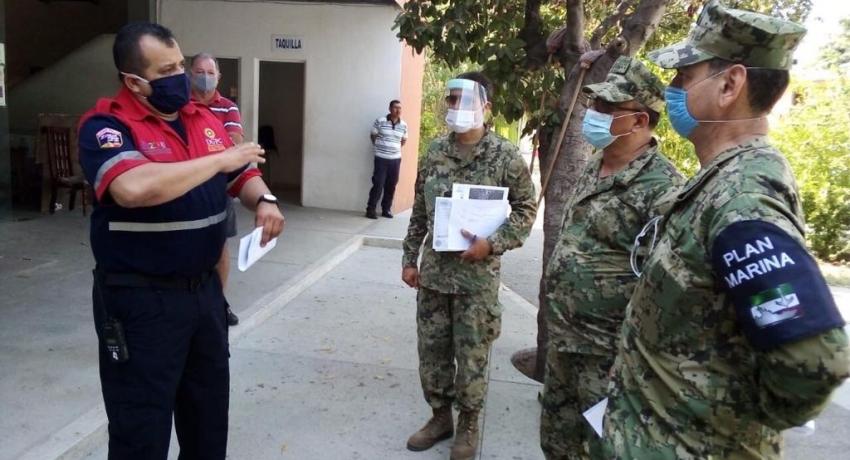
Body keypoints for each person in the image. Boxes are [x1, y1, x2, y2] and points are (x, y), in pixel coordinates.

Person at [603, 2, 850, 458]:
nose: (672, 90)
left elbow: (816, 360)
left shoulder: (742, 195)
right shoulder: (720, 178)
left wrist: (729, 419)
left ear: (730, 84)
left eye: (683, 77)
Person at [78, 22, 284, 459]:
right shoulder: (107, 126)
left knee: (207, 422)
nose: (183, 76)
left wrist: (263, 199)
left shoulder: (202, 117)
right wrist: (220, 159)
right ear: (135, 81)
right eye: (167, 69)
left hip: (206, 296)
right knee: (141, 430)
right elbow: (132, 188)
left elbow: (241, 172)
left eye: (181, 64)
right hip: (141, 305)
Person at [539, 56, 683, 460]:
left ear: (639, 121)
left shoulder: (665, 190)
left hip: (610, 359)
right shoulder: (594, 167)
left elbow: (664, 289)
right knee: (556, 441)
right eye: (595, 106)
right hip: (566, 341)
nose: (594, 114)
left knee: (604, 450)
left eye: (607, 108)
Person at [402, 72, 537, 460]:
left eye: (465, 101)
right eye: (451, 100)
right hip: (434, 278)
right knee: (433, 353)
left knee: (473, 357)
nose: (456, 108)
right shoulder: (434, 152)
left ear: (485, 107)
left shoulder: (505, 156)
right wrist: (410, 259)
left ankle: (469, 424)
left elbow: (527, 208)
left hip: (477, 282)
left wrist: (493, 244)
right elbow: (419, 214)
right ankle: (440, 417)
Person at [190, 52, 243, 326]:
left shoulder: (228, 107)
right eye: (200, 71)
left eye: (210, 73)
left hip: (217, 189)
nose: (205, 77)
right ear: (190, 73)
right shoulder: (179, 105)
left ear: (219, 77)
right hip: (185, 188)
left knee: (219, 246)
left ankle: (219, 305)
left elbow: (233, 143)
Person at [366, 100, 408, 219]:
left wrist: (393, 149)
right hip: (381, 159)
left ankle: (386, 209)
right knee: (378, 184)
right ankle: (371, 209)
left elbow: (403, 140)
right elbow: (373, 135)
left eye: (400, 108)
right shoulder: (380, 121)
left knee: (391, 185)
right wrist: (379, 148)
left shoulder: (404, 125)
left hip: (395, 160)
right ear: (390, 109)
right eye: (395, 108)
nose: (398, 110)